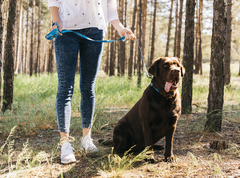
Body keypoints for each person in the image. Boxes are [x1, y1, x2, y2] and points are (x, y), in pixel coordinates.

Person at [48, 0, 135, 164]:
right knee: (65, 88)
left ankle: (86, 139)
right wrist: (56, 22)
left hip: (95, 30)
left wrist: (120, 28)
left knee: (88, 87)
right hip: (65, 30)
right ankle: (65, 144)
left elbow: (110, 8)